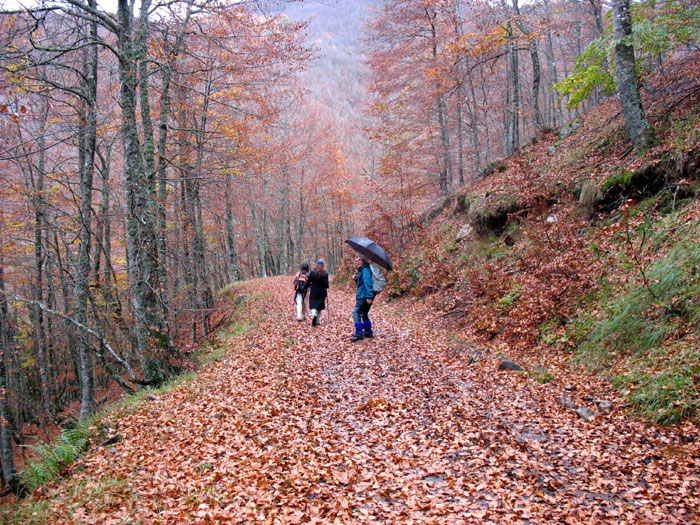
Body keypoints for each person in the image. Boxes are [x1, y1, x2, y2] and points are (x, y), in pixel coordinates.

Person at [351, 255, 374, 342]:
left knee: (355, 312)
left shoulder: (365, 270)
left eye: (359, 260)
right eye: (356, 261)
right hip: (363, 294)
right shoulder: (361, 271)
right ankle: (368, 332)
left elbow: (368, 283)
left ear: (363, 260)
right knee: (364, 313)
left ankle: (359, 333)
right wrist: (356, 279)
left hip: (363, 296)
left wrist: (369, 296)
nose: (357, 262)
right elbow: (361, 284)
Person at [307, 259, 329, 326]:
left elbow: (308, 282)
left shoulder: (312, 273)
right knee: (319, 306)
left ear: (316, 265)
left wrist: (305, 287)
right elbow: (326, 285)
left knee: (313, 305)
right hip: (322, 292)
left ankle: (314, 315)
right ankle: (317, 321)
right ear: (323, 266)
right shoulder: (325, 273)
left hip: (313, 291)